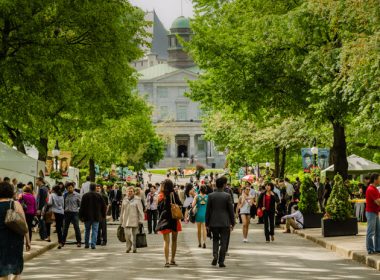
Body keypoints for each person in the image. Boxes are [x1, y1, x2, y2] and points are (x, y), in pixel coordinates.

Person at [0, 182, 31, 280]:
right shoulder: (15, 204)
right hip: (15, 241)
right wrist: (28, 241)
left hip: (1, 240)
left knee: (2, 270)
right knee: (16, 269)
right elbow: (24, 224)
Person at [206, 176, 235, 268]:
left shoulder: (210, 196)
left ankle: (215, 255)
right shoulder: (227, 196)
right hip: (225, 222)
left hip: (213, 221)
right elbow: (231, 210)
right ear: (223, 185)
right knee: (224, 242)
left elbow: (208, 211)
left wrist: (207, 223)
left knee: (215, 239)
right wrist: (233, 222)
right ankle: (221, 261)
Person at [156, 179, 182, 267]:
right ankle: (173, 259)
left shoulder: (161, 195)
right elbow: (180, 203)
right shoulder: (173, 194)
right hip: (174, 219)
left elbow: (158, 208)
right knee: (174, 240)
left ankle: (166, 261)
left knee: (166, 241)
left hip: (164, 219)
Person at [79, 183, 106, 249]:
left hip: (87, 216)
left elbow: (82, 207)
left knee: (87, 230)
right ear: (95, 188)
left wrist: (80, 216)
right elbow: (103, 206)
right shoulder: (99, 196)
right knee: (95, 230)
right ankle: (93, 244)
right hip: (96, 216)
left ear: (89, 188)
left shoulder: (85, 196)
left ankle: (86, 244)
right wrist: (103, 215)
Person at [120, 187, 144, 253]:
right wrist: (121, 219)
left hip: (135, 219)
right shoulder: (124, 199)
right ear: (126, 192)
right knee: (127, 235)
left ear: (133, 192)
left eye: (131, 191)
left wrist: (141, 220)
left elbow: (140, 211)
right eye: (128, 191)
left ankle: (134, 247)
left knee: (135, 235)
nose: (129, 192)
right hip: (126, 219)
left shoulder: (137, 199)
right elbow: (122, 210)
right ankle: (128, 246)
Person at [62, 182, 82, 247]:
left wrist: (78, 209)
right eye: (68, 188)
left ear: (73, 188)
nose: (70, 189)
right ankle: (62, 242)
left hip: (74, 213)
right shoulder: (64, 195)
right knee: (65, 228)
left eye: (71, 188)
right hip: (66, 213)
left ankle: (79, 242)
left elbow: (80, 204)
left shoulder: (77, 195)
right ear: (67, 188)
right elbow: (63, 204)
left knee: (76, 228)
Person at [365, 173, 380, 254]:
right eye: (379, 179)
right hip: (371, 213)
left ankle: (377, 248)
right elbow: (378, 202)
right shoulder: (371, 189)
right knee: (371, 232)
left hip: (375, 212)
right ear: (375, 180)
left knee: (378, 231)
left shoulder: (375, 189)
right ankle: (370, 249)